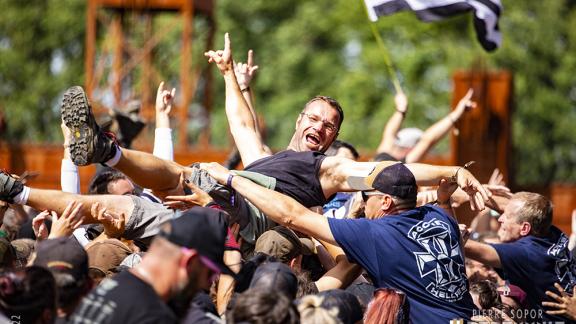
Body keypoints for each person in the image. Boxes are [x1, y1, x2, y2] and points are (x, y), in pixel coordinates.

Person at [200, 161, 478, 322]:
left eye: (365, 196)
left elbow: (291, 215)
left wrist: (231, 177)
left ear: (385, 202)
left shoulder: (374, 233)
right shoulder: (438, 218)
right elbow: (445, 210)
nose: (360, 201)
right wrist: (444, 197)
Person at [69, 207, 234, 323]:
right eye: (210, 272)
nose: (208, 282)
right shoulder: (152, 315)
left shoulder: (116, 286)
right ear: (189, 262)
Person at [464, 191, 576, 322]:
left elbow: (468, 247)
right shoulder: (552, 234)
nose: (500, 218)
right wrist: (468, 193)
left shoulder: (526, 254)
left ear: (525, 228)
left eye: (506, 216)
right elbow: (521, 210)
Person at [374, 89, 476, 163]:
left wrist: (401, 108)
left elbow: (389, 133)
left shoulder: (381, 156)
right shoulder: (403, 166)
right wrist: (457, 114)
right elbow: (428, 140)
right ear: (409, 149)